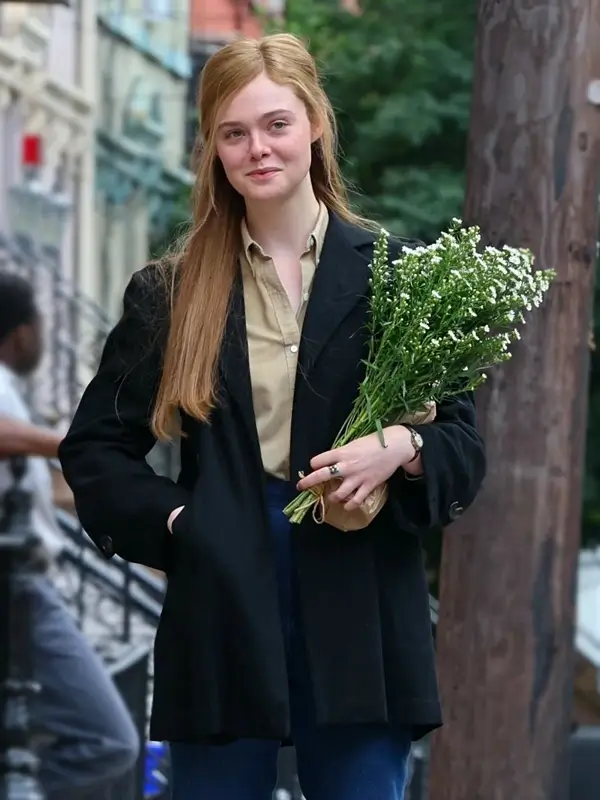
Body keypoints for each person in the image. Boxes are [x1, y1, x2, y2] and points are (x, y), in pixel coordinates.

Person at [58, 33, 486, 800]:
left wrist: (401, 448)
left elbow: (464, 443)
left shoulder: (400, 276)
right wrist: (184, 522)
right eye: (233, 132)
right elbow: (94, 450)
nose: (257, 148)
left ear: (315, 123)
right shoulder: (172, 292)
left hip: (360, 600)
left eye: (276, 124)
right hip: (224, 591)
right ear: (213, 148)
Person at [0, 272, 140, 798]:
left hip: (30, 583)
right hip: (19, 590)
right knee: (107, 739)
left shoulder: (11, 389)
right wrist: (67, 443)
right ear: (21, 333)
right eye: (38, 321)